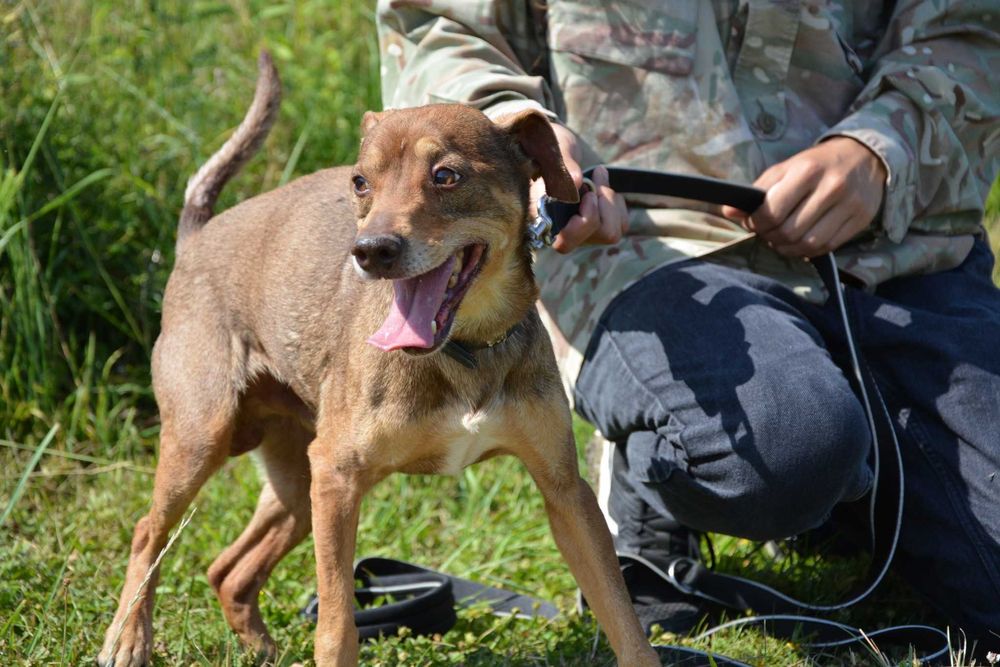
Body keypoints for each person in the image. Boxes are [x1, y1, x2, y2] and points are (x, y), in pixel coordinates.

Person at [375, 0, 1000, 651]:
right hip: (640, 240)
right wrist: (518, 137)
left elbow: (975, 28)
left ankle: (849, 477)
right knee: (784, 442)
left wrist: (880, 148)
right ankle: (673, 464)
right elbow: (437, 25)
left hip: (903, 245)